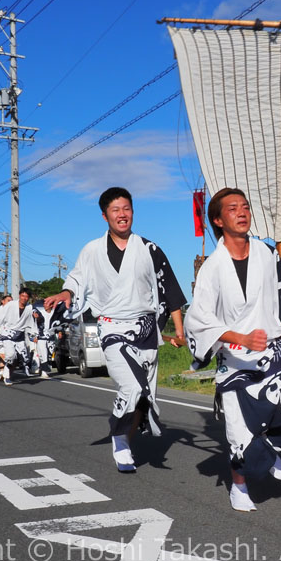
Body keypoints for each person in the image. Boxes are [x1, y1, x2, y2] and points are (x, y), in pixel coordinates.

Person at [45, 187, 186, 473]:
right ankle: (119, 440)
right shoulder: (92, 250)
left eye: (127, 209)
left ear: (132, 211)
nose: (122, 215)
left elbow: (169, 288)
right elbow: (76, 278)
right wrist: (65, 293)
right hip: (112, 328)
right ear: (105, 216)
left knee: (143, 397)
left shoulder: (149, 249)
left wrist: (179, 330)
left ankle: (125, 437)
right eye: (115, 210)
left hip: (145, 330)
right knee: (132, 387)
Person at [185, 188, 281, 511]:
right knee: (238, 430)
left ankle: (269, 449)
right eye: (233, 208)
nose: (242, 212)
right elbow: (199, 319)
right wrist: (241, 337)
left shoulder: (266, 254)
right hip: (235, 358)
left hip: (272, 351)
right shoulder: (212, 266)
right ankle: (239, 487)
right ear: (218, 220)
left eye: (246, 207)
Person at [0, 288, 36, 386]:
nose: (24, 298)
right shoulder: (11, 304)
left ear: (28, 298)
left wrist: (34, 334)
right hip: (8, 333)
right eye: (22, 296)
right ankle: (7, 376)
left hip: (20, 335)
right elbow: (1, 317)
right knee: (11, 355)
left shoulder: (29, 308)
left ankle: (6, 371)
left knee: (24, 358)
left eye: (26, 297)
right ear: (19, 295)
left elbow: (31, 322)